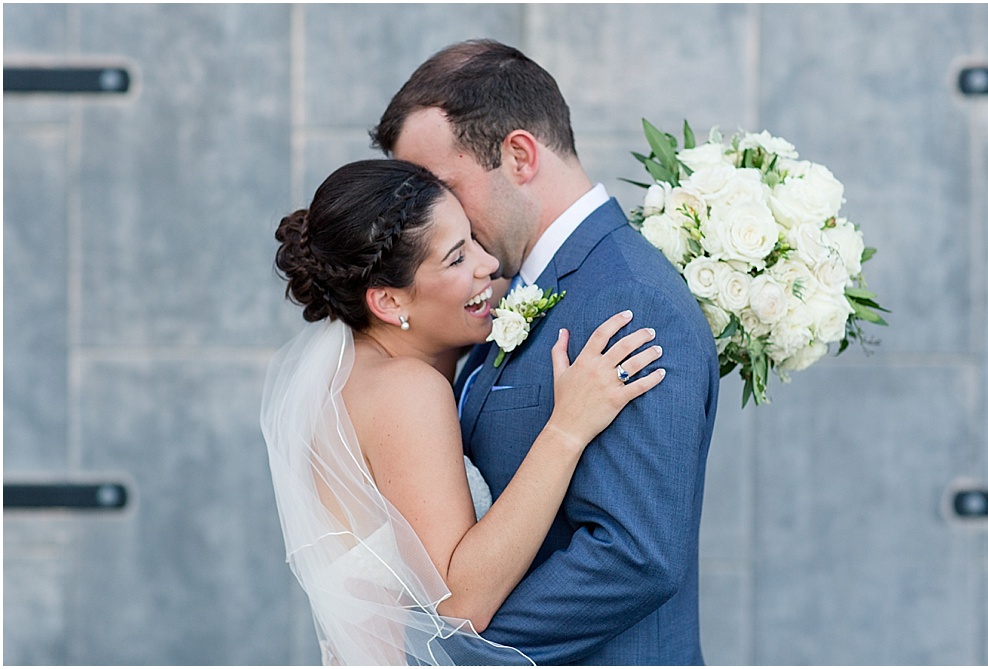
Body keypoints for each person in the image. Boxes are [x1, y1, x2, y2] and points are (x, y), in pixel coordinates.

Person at [371, 39, 720, 665]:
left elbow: (634, 553)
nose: (434, 217)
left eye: (442, 187)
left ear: (519, 155)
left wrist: (455, 656)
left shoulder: (631, 299)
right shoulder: (510, 292)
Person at [260, 158, 665, 665]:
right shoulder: (405, 390)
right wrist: (567, 428)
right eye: (456, 258)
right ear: (388, 301)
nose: (488, 265)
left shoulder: (357, 372)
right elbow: (460, 606)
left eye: (473, 238)